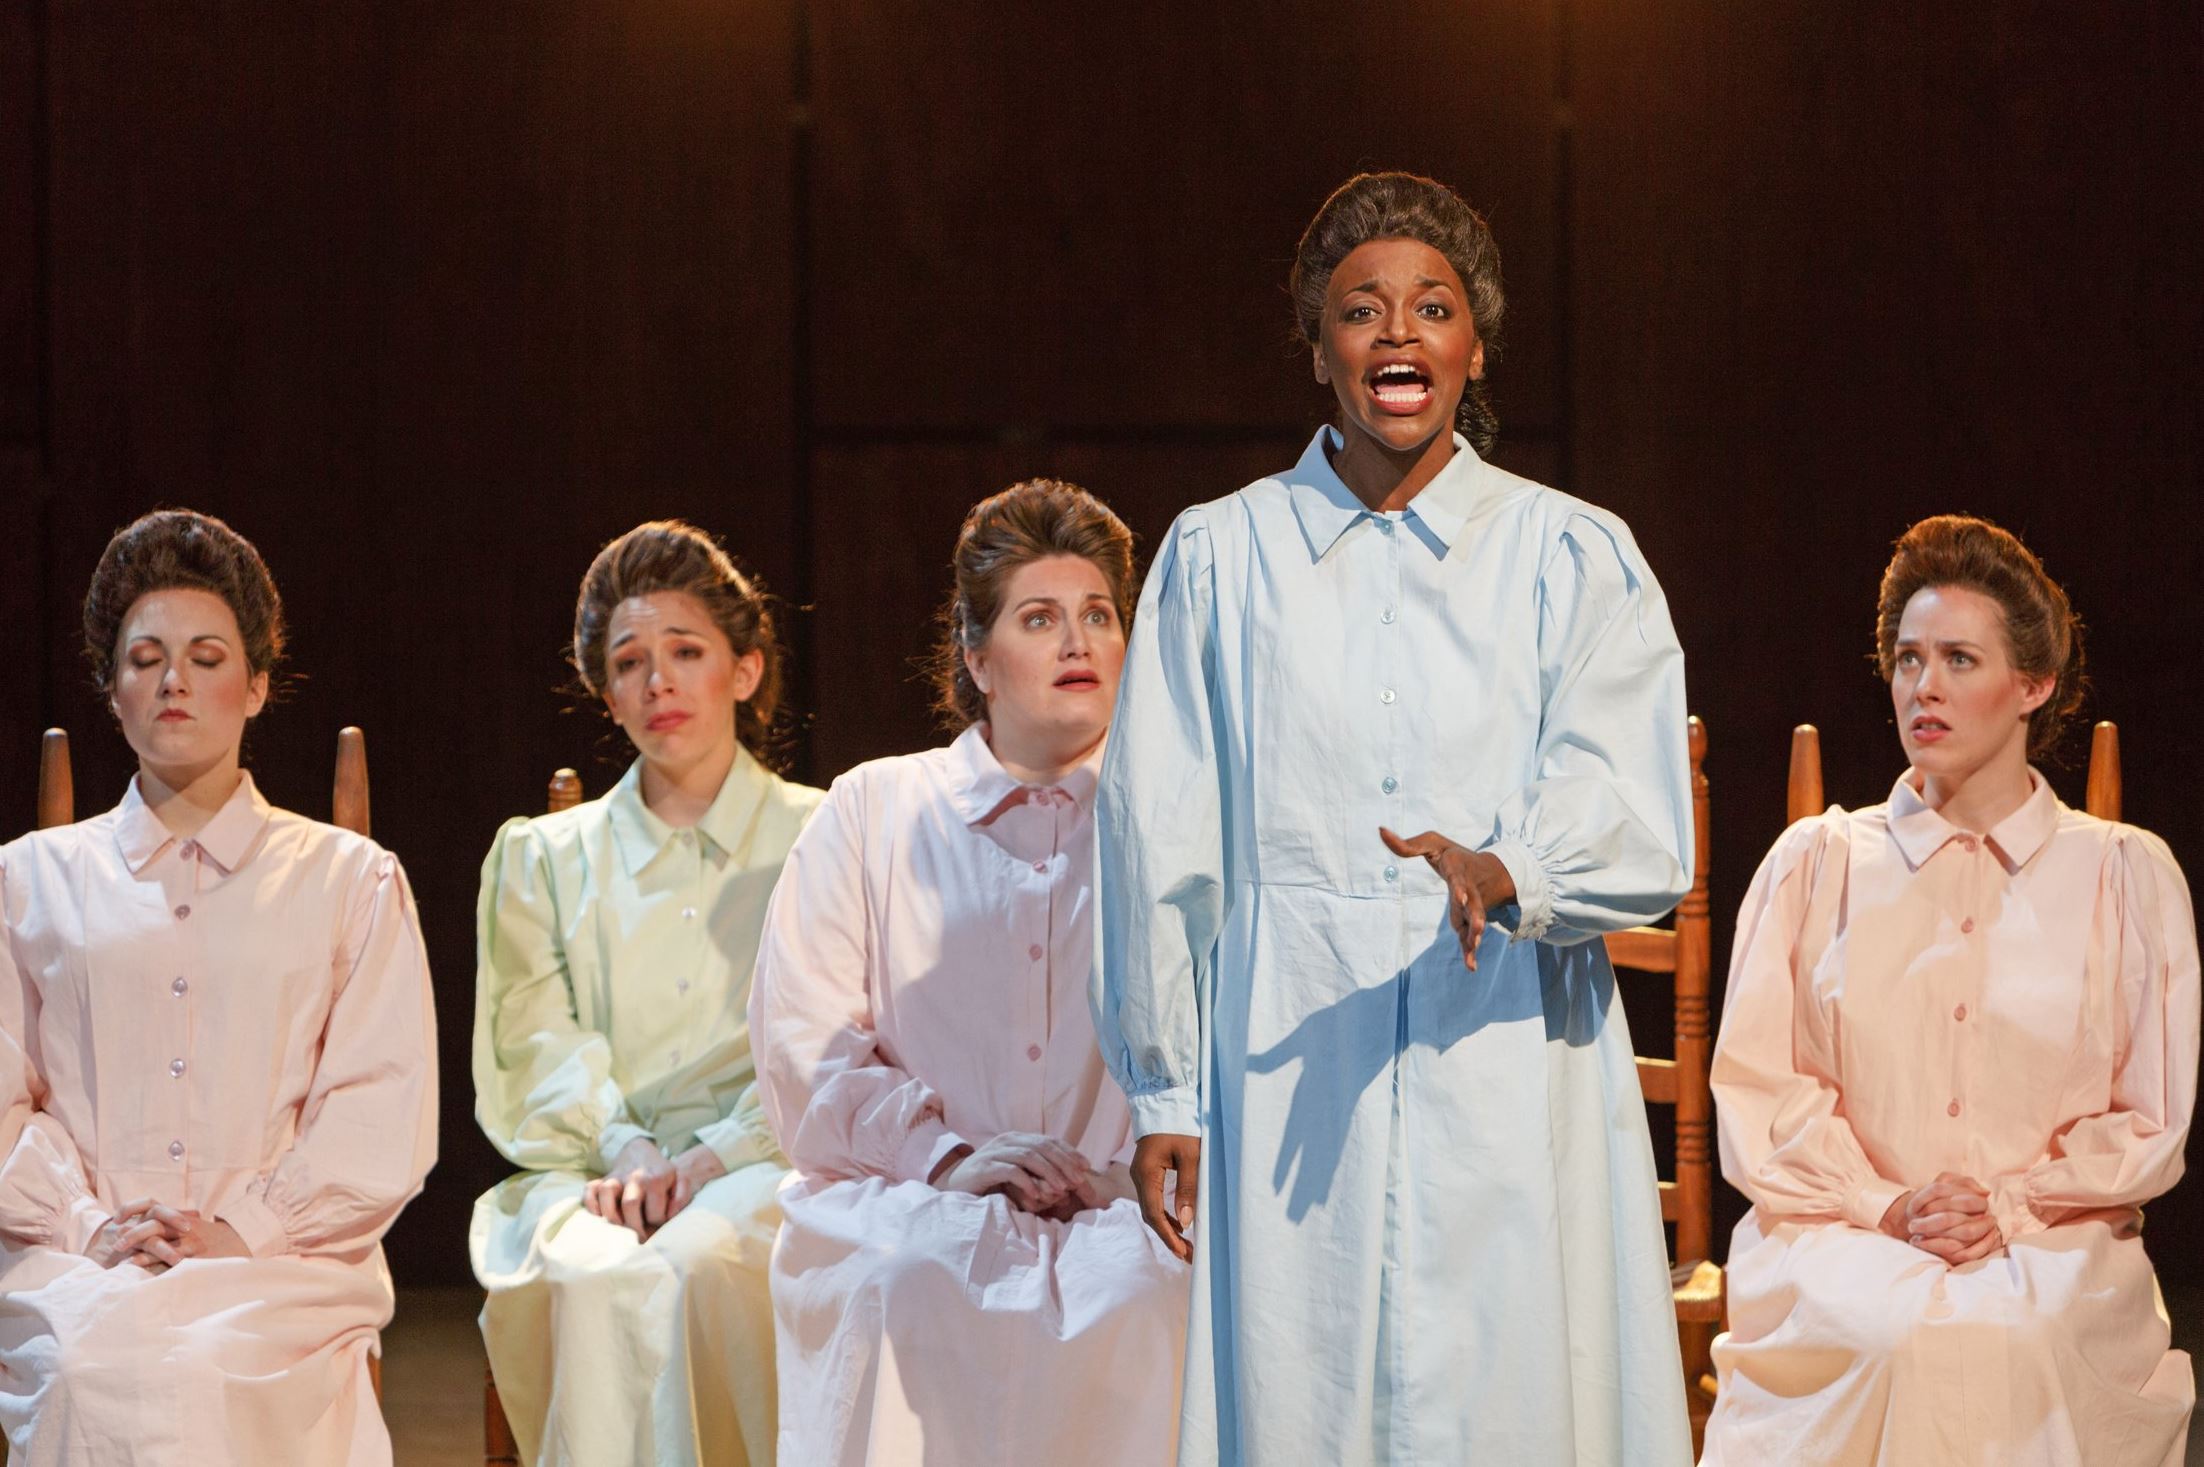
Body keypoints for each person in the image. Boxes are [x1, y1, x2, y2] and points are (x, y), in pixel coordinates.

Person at [1095, 170, 1696, 1465]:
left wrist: (1510, 864)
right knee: (1305, 1391)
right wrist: (1163, 1085)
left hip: (1506, 1043)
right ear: (1318, 348)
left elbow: (1636, 815)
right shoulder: (1218, 558)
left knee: (1511, 1386)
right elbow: (1162, 840)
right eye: (1361, 310)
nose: (1398, 333)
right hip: (1286, 1051)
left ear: (1474, 343)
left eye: (1432, 306)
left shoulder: (1569, 554)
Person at [1702, 514, 2196, 1466]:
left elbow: (2147, 1117)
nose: (1923, 687)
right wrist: (1883, 1203)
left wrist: (2010, 1206)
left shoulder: (2121, 875)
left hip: (2053, 1236)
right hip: (1840, 1231)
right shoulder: (1822, 864)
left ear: (2033, 684)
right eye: (1907, 659)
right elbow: (1765, 1093)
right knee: (1896, 1335)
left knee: (2010, 1340)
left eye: (1960, 659)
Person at [751, 478, 1189, 1467]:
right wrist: (949, 1158)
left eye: (1097, 616)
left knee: (1153, 1294)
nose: (1076, 643)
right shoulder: (873, 811)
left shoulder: (1177, 828)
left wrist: (1133, 1170)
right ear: (976, 657)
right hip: (912, 1190)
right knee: (912, 1278)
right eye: (1039, 619)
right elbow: (804, 1049)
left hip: (1122, 1202)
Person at [0, 509, 437, 1465]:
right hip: (78, 1256)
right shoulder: (27, 878)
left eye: (205, 656)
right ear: (112, 689)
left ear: (258, 684)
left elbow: (380, 1101)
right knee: (92, 1372)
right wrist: (84, 1223)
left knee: (211, 1376)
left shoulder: (347, 878)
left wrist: (250, 1227)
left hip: (282, 1266)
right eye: (145, 657)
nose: (173, 681)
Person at [470, 520, 822, 1467]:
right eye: (629, 661)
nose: (658, 681)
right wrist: (623, 1145)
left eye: (686, 651)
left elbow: (831, 1035)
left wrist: (714, 1156)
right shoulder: (542, 856)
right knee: (588, 1274)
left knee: (701, 1261)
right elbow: (536, 1033)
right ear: (605, 689)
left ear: (744, 671)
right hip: (594, 1163)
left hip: (768, 1153)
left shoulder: (823, 834)